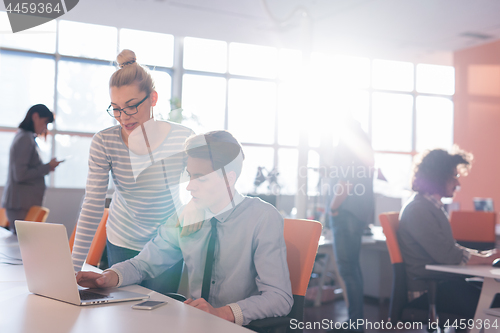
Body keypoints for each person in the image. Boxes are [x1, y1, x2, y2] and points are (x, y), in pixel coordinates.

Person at [76, 130, 293, 326]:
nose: (189, 186)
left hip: (237, 326)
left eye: (200, 178)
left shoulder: (263, 218)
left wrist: (223, 313)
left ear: (228, 179)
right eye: (190, 175)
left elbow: (279, 297)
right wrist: (109, 276)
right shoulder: (187, 214)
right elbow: (144, 263)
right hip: (192, 323)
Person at [71, 49, 194, 295]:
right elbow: (93, 204)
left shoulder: (183, 139)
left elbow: (199, 194)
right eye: (115, 108)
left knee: (160, 312)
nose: (123, 117)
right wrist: (71, 267)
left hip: (167, 243)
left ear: (153, 98)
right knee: (123, 314)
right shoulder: (105, 142)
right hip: (122, 238)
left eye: (131, 107)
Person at [398, 148, 500, 318]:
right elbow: (447, 255)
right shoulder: (418, 210)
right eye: (454, 176)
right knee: (494, 302)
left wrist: (485, 256)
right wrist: (487, 258)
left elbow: (449, 250)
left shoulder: (431, 208)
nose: (458, 184)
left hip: (442, 283)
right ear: (438, 176)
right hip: (429, 290)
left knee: (491, 295)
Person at [327, 118, 374, 333]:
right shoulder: (363, 150)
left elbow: (346, 182)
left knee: (347, 269)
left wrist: (333, 208)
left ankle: (355, 325)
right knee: (353, 269)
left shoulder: (346, 147)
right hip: (358, 213)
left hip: (345, 213)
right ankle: (356, 322)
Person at [1, 104, 62, 233]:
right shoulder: (25, 139)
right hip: (20, 204)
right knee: (22, 245)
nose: (45, 127)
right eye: (45, 122)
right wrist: (47, 167)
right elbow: (20, 174)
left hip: (22, 204)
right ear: (35, 117)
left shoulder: (26, 137)